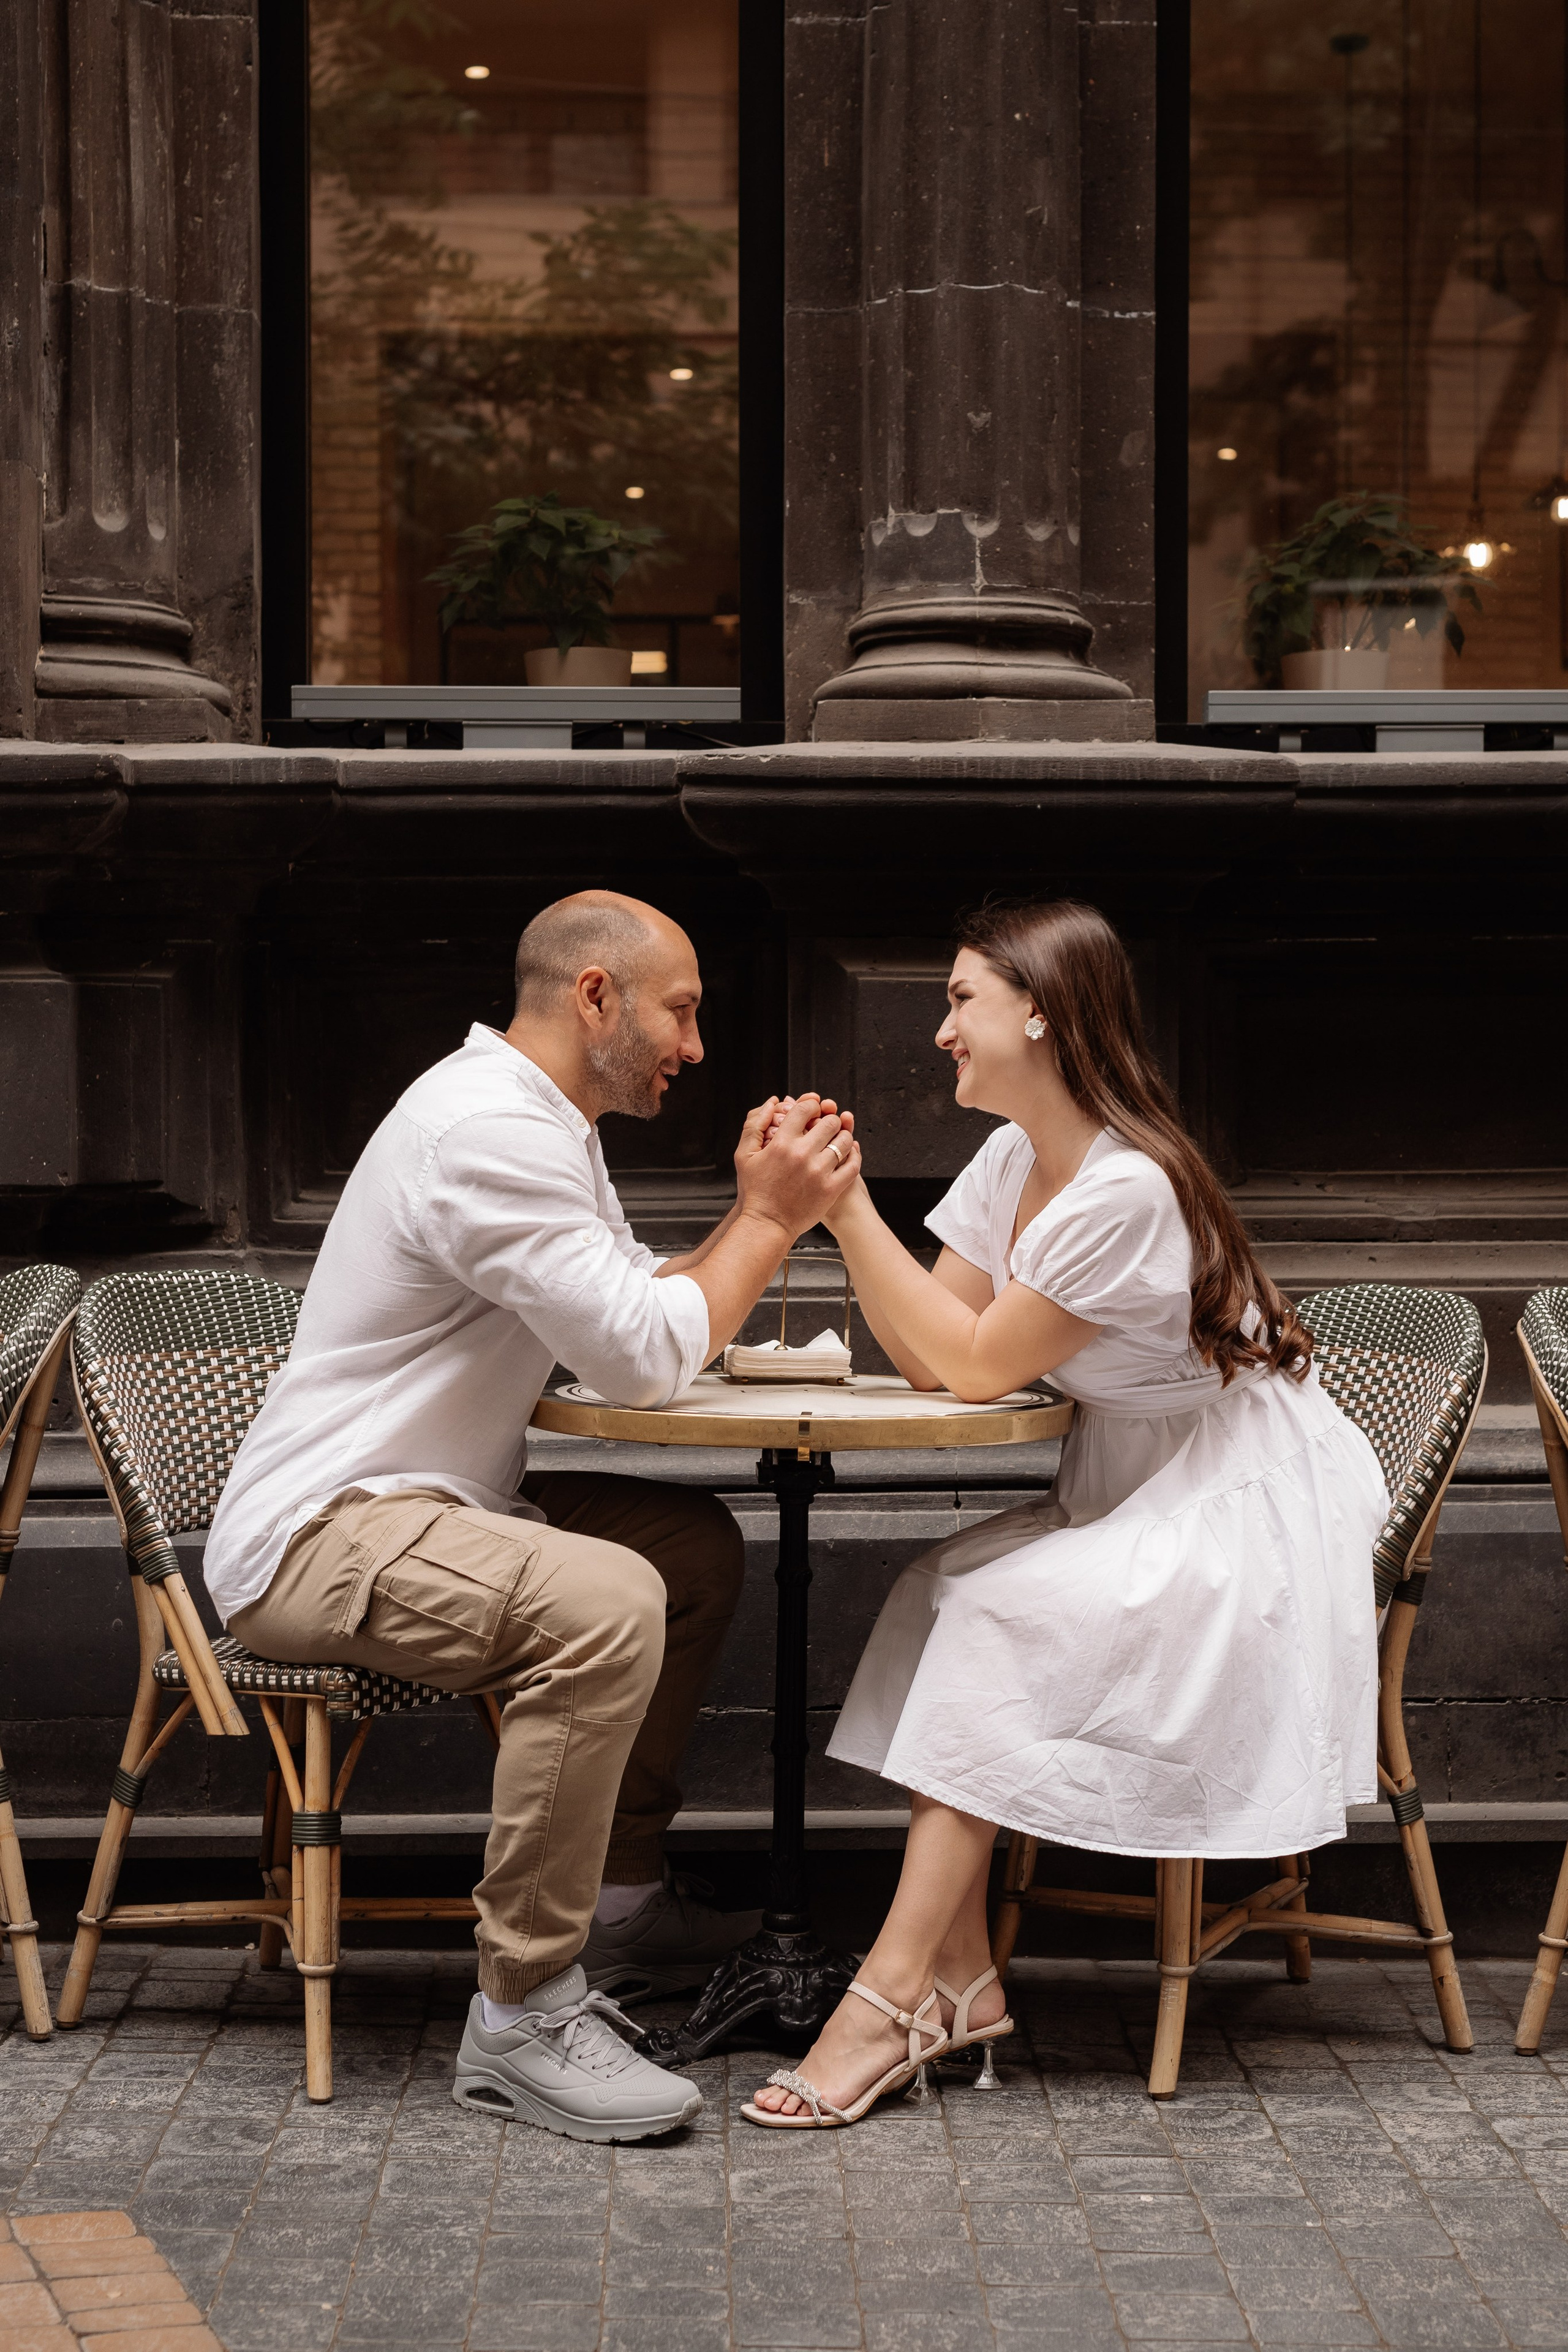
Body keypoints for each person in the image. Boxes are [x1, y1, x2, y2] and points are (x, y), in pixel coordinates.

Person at [202, 889, 861, 2141]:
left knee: (686, 1552)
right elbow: (640, 1357)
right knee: (605, 1598)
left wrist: (739, 1218)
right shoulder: (485, 1132)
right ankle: (520, 2009)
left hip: (435, 1500)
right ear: (594, 996)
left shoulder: (543, 1123)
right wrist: (769, 1217)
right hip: (322, 1532)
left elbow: (633, 1303)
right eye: (682, 1010)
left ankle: (615, 1909)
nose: (695, 1046)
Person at [744, 899, 1386, 2128]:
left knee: (991, 1615)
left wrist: (841, 1210)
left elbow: (975, 1363)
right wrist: (846, 1214)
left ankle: (885, 2000)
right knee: (935, 1592)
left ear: (1038, 1012)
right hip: (1128, 1480)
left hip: (1234, 1504)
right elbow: (937, 1359)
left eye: (957, 1003)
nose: (938, 1031)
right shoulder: (1007, 1163)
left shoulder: (1125, 1190)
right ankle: (965, 1972)